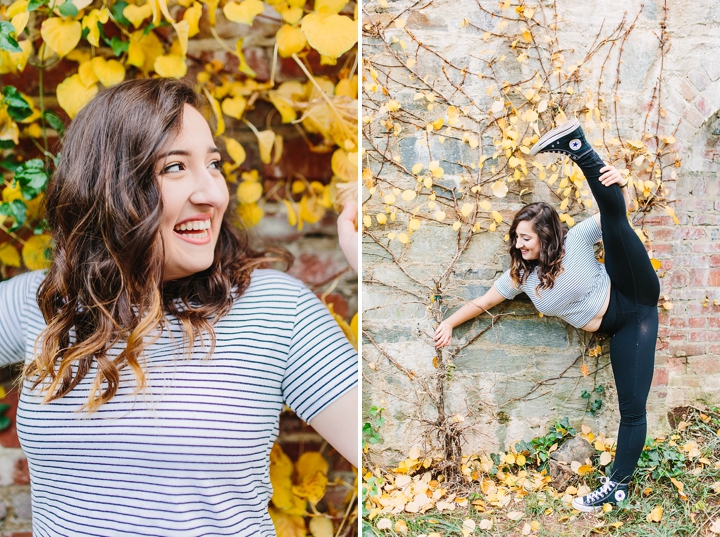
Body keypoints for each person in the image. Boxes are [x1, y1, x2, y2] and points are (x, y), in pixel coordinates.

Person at [0, 78, 358, 536]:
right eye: (174, 167)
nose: (211, 193)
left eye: (213, 165)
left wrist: (375, 274)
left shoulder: (275, 309)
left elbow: (392, 449)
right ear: (109, 186)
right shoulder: (48, 303)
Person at [434, 118, 660, 512]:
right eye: (516, 238)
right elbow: (487, 299)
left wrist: (622, 182)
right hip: (622, 328)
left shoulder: (577, 240)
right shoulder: (522, 276)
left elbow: (622, 212)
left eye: (526, 238)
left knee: (615, 221)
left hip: (635, 297)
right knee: (631, 409)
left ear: (546, 236)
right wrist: (450, 322)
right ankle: (619, 488)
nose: (518, 244)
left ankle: (580, 150)